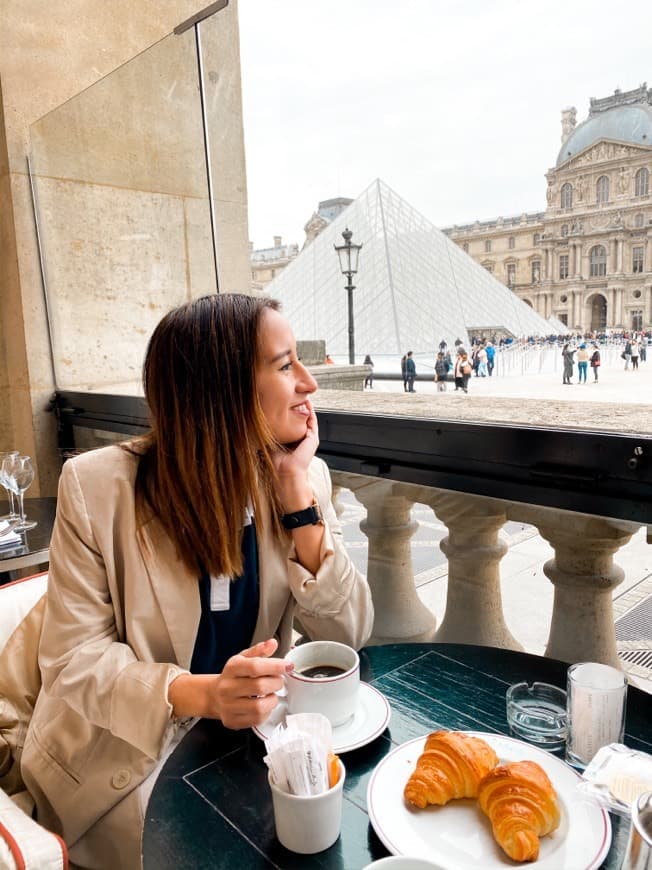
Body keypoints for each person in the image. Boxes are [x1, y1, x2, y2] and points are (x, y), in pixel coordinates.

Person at [21, 294, 373, 869]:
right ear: (222, 391)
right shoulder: (96, 488)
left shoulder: (302, 477)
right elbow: (71, 664)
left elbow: (351, 630)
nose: (309, 382)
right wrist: (203, 694)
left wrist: (297, 502)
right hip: (123, 761)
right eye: (286, 365)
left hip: (249, 750)